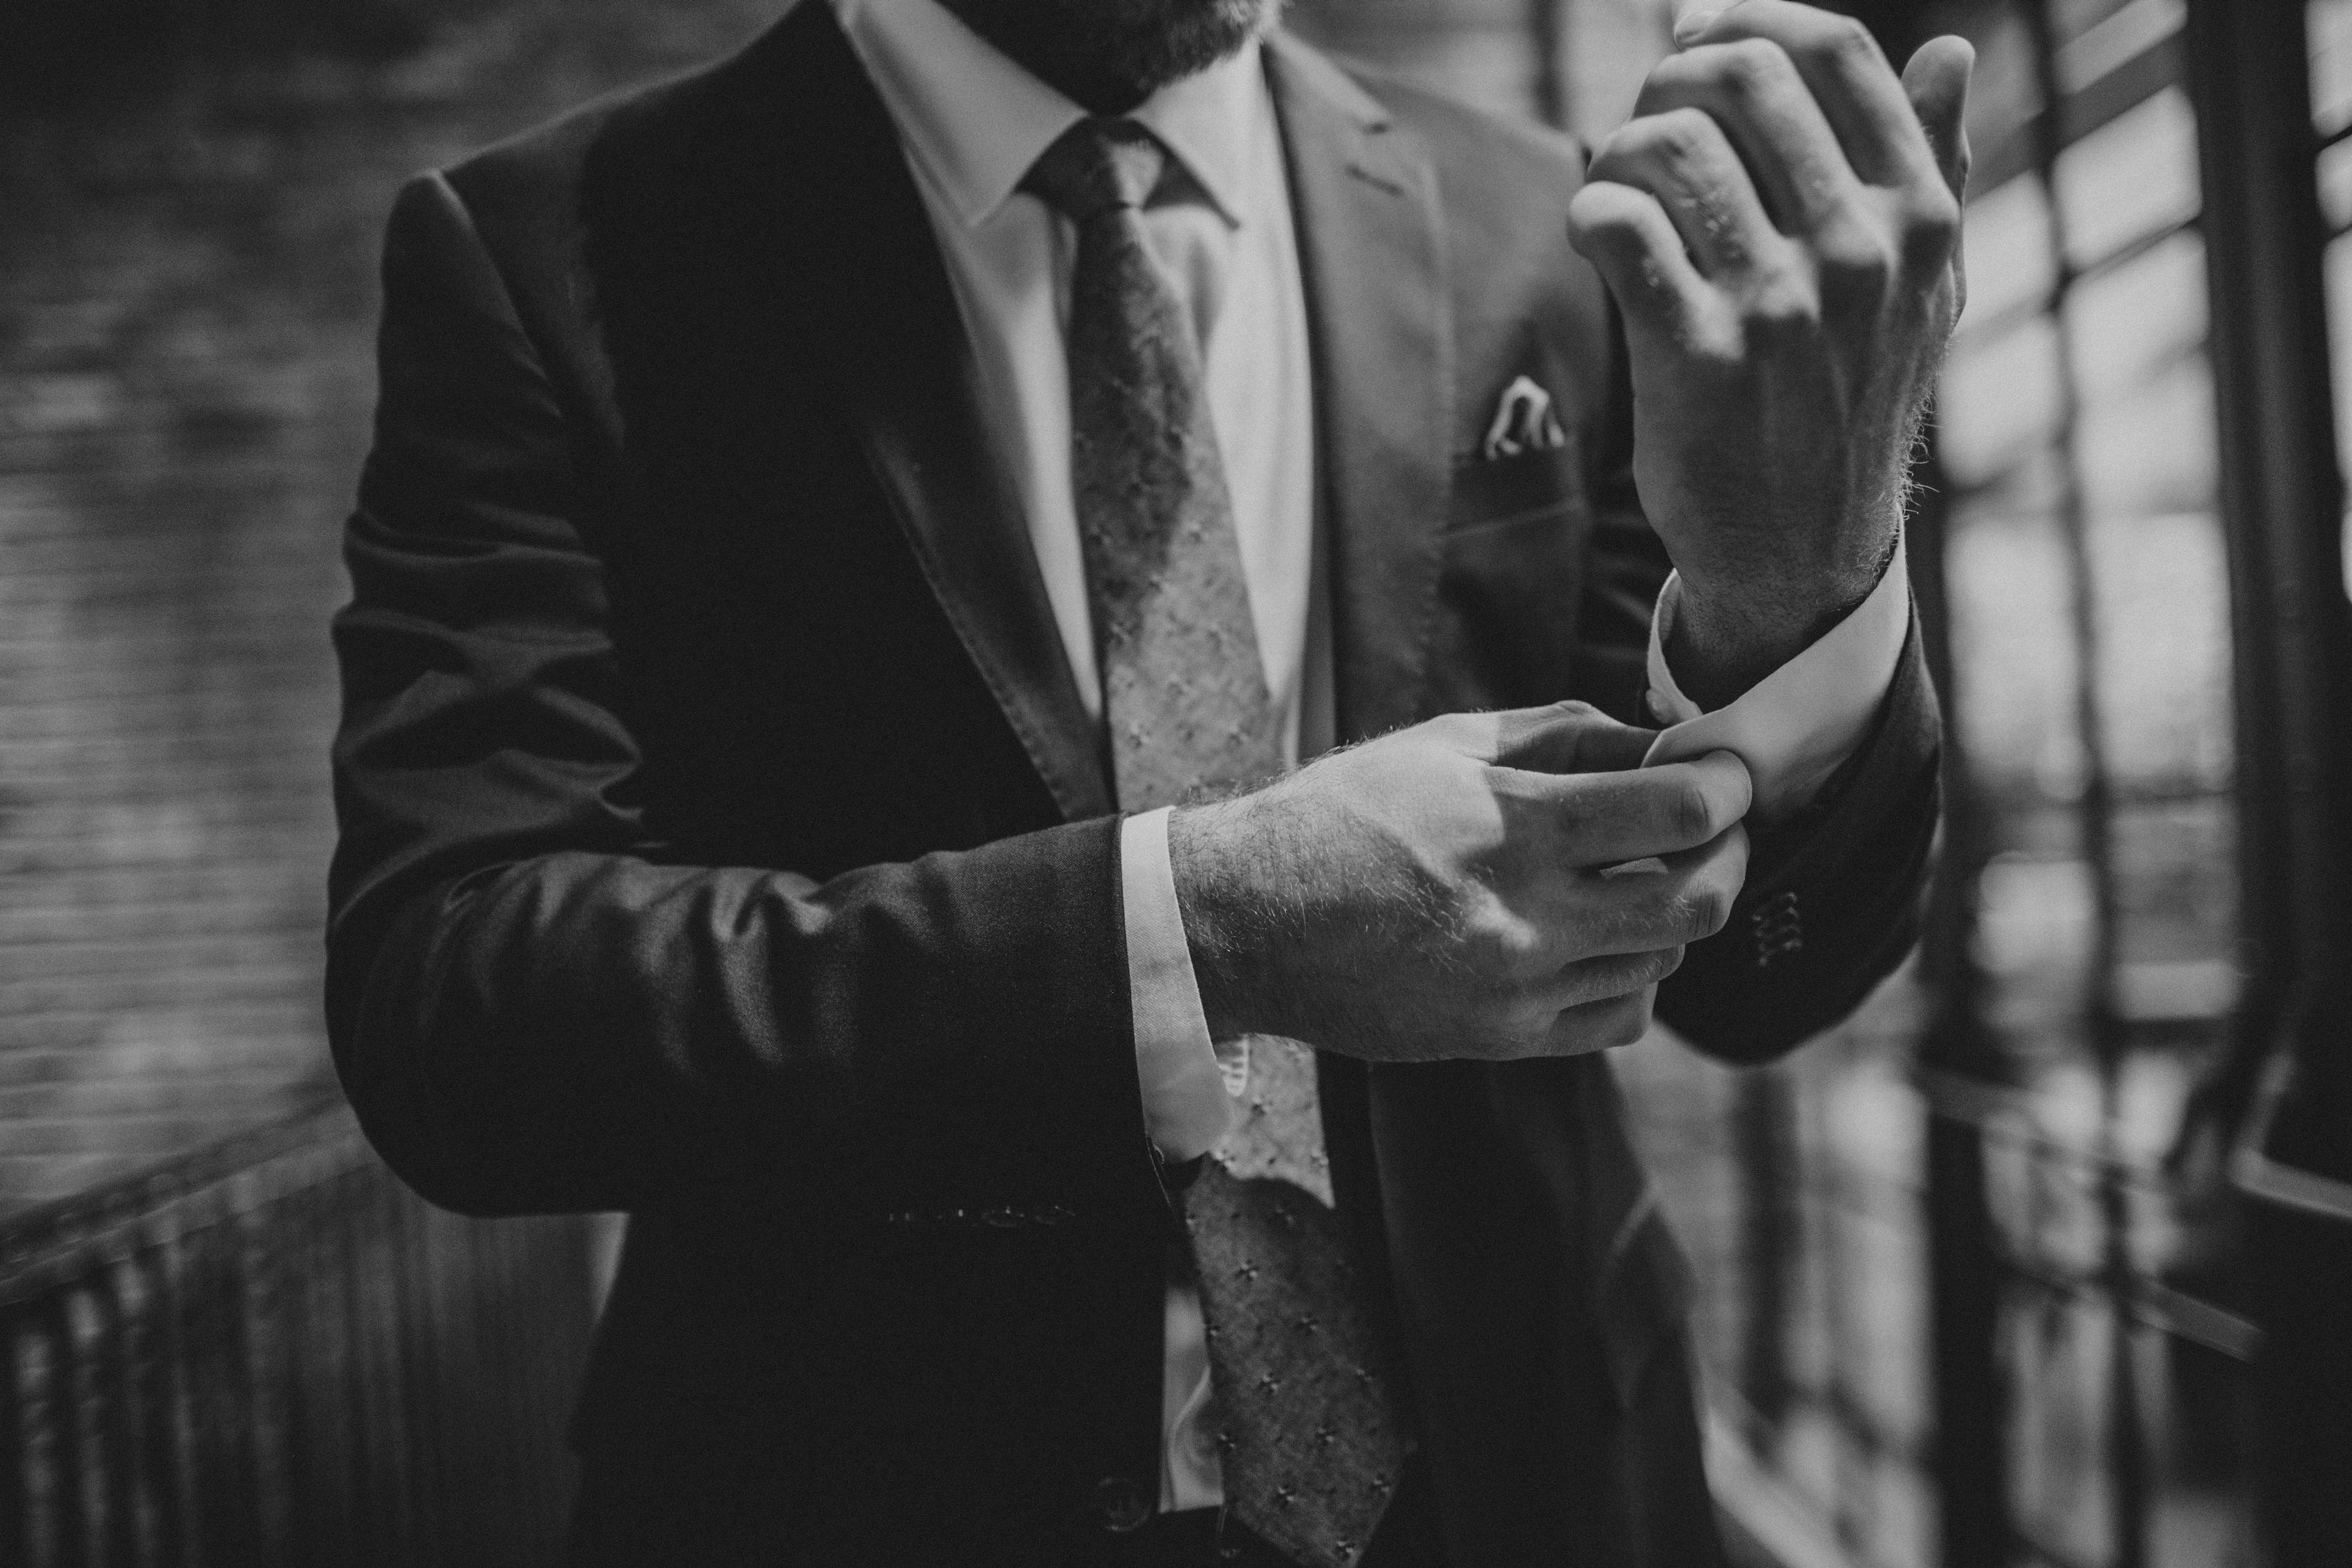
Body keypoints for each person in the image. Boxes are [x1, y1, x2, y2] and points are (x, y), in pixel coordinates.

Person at [324, 0, 1967, 1561]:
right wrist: (1205, 924)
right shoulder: (545, 253)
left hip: (1531, 1474)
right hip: (865, 1498)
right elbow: (460, 996)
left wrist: (1792, 591)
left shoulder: (1544, 221)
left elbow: (1762, 988)